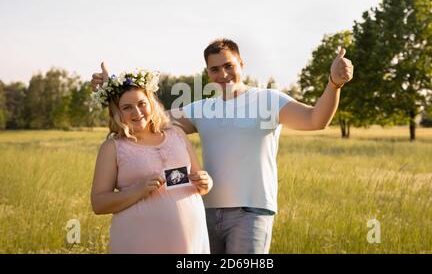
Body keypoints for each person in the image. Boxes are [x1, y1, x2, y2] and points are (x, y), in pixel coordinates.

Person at [91, 38, 354, 254]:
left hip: (251, 212)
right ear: (208, 74)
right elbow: (143, 117)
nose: (224, 74)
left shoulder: (268, 101)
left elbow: (315, 119)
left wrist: (334, 84)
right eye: (215, 69)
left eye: (229, 65)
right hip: (204, 213)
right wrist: (113, 89)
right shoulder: (203, 108)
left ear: (241, 63)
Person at [90, 69, 213, 254]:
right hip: (140, 242)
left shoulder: (176, 134)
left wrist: (206, 182)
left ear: (151, 103)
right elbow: (99, 203)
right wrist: (139, 190)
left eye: (142, 103)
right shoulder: (113, 147)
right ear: (117, 112)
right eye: (127, 107)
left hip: (191, 241)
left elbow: (200, 183)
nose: (137, 112)